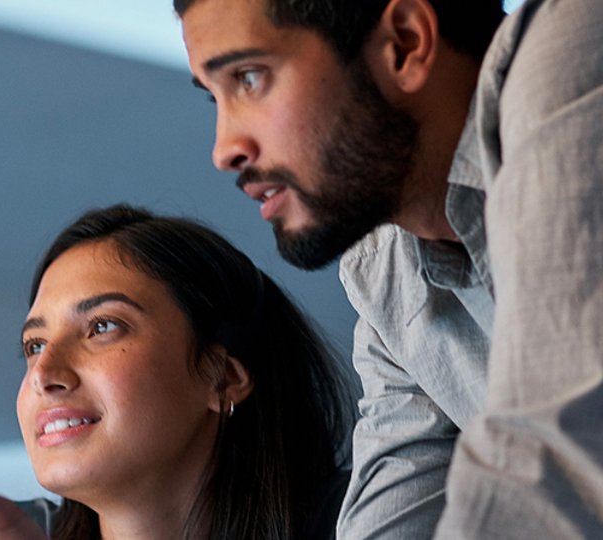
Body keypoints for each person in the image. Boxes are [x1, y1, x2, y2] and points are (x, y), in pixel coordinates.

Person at [176, 0, 603, 538]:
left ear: (404, 44)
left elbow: (555, 463)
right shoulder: (384, 269)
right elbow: (393, 517)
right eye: (213, 96)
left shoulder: (578, 60)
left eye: (249, 78)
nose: (224, 149)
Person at [0, 204, 356, 539]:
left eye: (103, 327)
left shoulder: (372, 523)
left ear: (222, 375)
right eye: (32, 345)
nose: (45, 373)